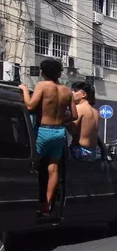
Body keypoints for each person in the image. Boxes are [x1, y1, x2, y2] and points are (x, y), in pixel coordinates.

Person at [19, 58, 77, 215]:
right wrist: (59, 121)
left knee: (31, 165)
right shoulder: (67, 91)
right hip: (59, 133)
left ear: (44, 73)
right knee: (53, 168)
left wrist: (24, 90)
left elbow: (30, 105)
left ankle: (28, 199)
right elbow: (74, 115)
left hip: (43, 130)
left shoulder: (42, 86)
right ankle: (46, 204)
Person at [68, 82, 100, 161]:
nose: (72, 93)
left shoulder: (79, 108)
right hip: (92, 152)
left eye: (75, 91)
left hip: (79, 151)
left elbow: (72, 130)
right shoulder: (95, 111)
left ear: (83, 94)